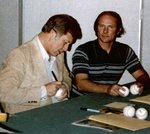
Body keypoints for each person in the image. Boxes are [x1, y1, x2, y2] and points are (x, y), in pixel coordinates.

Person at [0, 14, 82, 114]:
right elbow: (3, 92)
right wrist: (43, 91)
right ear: (53, 33)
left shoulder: (59, 54)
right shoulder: (20, 55)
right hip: (28, 120)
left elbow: (67, 79)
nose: (66, 49)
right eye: (65, 42)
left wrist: (64, 87)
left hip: (58, 114)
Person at [71, 11, 149, 97]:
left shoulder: (125, 51)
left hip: (105, 99)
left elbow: (142, 75)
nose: (105, 31)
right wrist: (107, 89)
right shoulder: (83, 50)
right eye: (101, 26)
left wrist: (140, 84)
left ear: (118, 30)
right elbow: (81, 84)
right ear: (96, 28)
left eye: (110, 27)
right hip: (80, 100)